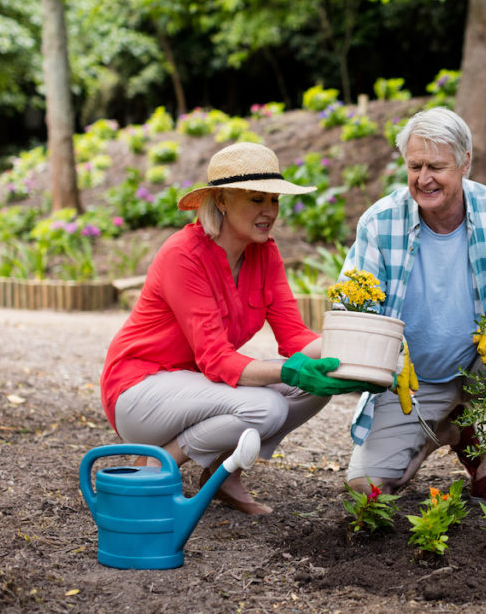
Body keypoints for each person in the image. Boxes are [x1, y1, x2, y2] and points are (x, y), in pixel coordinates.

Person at [100, 142, 383, 515]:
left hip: (198, 388)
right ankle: (159, 463)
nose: (270, 211)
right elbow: (217, 360)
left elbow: (295, 338)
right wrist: (290, 371)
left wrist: (359, 356)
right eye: (256, 199)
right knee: (266, 407)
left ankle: (222, 472)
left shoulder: (264, 252)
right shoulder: (183, 255)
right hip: (140, 391)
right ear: (221, 200)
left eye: (274, 200)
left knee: (314, 389)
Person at [342, 107, 486, 509]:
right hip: (411, 383)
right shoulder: (380, 222)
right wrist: (388, 353)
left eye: (436, 166)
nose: (424, 178)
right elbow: (352, 307)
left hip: (480, 366)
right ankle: (447, 429)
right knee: (366, 487)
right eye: (415, 166)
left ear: (465, 163)